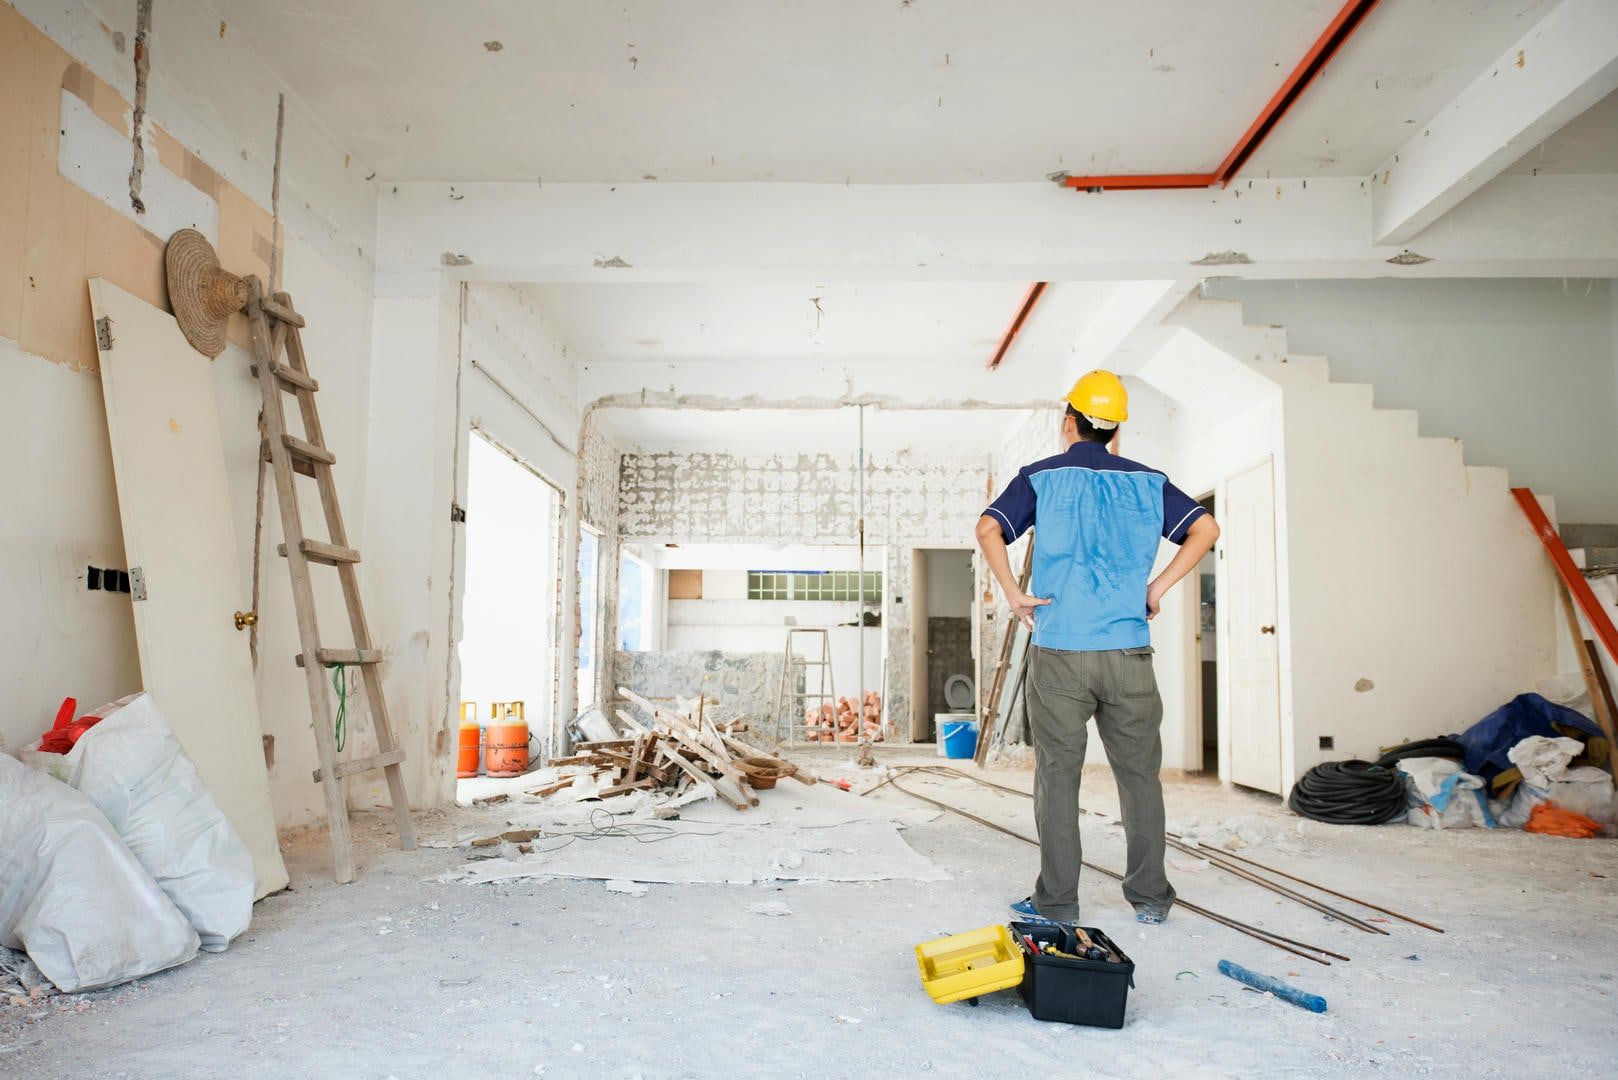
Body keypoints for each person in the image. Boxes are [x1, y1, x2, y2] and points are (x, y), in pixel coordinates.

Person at [975, 370, 1219, 925]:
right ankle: (1151, 900)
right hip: (1129, 652)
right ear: (1115, 432)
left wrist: (1015, 594)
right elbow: (1205, 530)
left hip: (1060, 652)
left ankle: (1057, 904)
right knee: (1139, 779)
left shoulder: (1041, 477)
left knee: (1058, 780)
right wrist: (1154, 589)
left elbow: (988, 528)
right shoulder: (1149, 481)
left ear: (1069, 423)